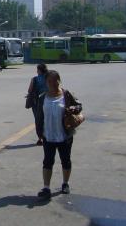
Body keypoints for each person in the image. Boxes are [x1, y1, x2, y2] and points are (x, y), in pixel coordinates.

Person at [36, 70, 82, 200]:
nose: (52, 83)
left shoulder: (66, 94)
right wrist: (39, 134)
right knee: (47, 161)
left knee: (65, 160)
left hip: (64, 135)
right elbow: (39, 117)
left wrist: (75, 109)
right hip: (48, 135)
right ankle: (46, 188)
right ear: (46, 82)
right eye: (49, 81)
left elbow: (79, 105)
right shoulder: (42, 97)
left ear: (59, 80)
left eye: (55, 80)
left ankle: (65, 183)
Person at [27, 63, 48, 145]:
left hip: (37, 102)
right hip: (48, 101)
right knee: (47, 119)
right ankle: (48, 136)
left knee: (38, 120)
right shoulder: (49, 78)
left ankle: (40, 138)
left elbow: (29, 90)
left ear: (39, 70)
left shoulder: (34, 79)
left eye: (37, 70)